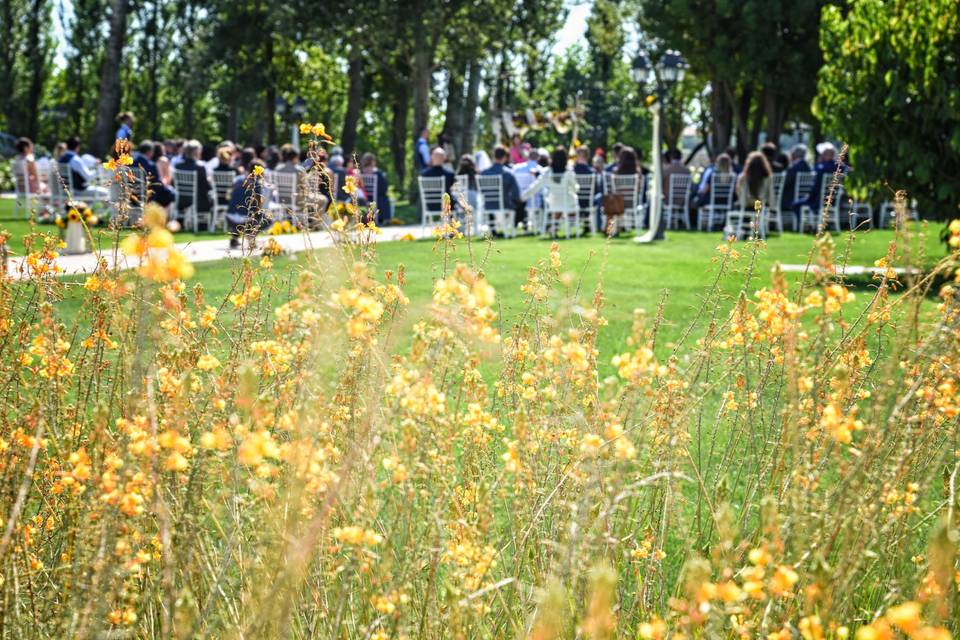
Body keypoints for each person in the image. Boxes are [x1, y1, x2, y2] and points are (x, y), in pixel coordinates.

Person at [520, 147, 579, 237]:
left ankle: (553, 227)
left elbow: (535, 187)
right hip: (567, 202)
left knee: (558, 203)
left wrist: (522, 196)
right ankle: (554, 227)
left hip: (553, 203)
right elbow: (576, 188)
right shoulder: (569, 172)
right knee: (570, 202)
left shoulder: (547, 172)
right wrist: (575, 189)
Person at [226, 159, 268, 250]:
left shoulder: (237, 179)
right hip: (245, 219)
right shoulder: (256, 185)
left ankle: (234, 238)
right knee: (266, 218)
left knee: (242, 216)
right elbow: (258, 206)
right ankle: (251, 237)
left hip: (229, 216)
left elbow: (228, 195)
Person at [792, 141, 842, 218]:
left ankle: (804, 226)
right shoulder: (839, 167)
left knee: (796, 204)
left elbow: (816, 187)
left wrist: (819, 164)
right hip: (834, 200)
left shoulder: (821, 169)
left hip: (819, 201)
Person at [480, 146, 521, 227]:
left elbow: (481, 190)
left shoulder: (483, 173)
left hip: (487, 204)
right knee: (518, 204)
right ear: (505, 157)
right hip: (504, 203)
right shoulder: (508, 173)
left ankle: (493, 230)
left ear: (494, 156)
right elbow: (516, 193)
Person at [175, 140, 212, 224]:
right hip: (197, 200)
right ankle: (204, 224)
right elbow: (206, 187)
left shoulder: (178, 166)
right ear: (196, 152)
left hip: (181, 199)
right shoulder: (200, 167)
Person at [132, 140, 175, 207]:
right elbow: (156, 183)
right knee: (171, 194)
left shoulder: (131, 162)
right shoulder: (150, 165)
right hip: (147, 196)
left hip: (131, 195)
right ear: (149, 152)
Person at [780, 144, 811, 220]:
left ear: (794, 154)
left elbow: (784, 183)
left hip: (791, 198)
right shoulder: (807, 167)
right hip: (803, 196)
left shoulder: (795, 167)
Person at [360, 152, 392, 223]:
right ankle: (381, 219)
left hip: (366, 196)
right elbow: (383, 188)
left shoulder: (361, 172)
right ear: (372, 161)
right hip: (376, 197)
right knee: (384, 198)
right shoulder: (377, 172)